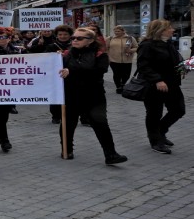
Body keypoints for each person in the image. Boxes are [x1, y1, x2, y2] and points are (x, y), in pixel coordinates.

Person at [60, 27, 127, 165]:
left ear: (90, 41)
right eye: (73, 38)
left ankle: (111, 154)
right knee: (68, 123)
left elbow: (98, 71)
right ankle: (67, 149)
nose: (74, 40)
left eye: (79, 38)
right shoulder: (66, 54)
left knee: (100, 122)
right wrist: (54, 60)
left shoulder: (99, 54)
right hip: (71, 95)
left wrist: (71, 71)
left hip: (94, 95)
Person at [137, 19, 185, 155]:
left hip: (172, 84)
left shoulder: (168, 44)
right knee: (154, 113)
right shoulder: (147, 45)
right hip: (154, 86)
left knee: (178, 110)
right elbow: (143, 66)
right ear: (161, 30)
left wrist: (183, 68)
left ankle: (160, 130)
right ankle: (155, 141)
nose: (173, 30)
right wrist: (157, 80)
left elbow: (175, 61)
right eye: (169, 27)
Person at [45, 25, 74, 124]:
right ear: (57, 35)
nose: (63, 36)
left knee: (71, 96)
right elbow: (45, 60)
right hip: (55, 75)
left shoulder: (74, 45)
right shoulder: (51, 46)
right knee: (55, 96)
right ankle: (56, 116)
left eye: (65, 34)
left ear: (70, 35)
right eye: (60, 34)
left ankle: (71, 115)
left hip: (71, 74)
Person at [107, 25, 138, 94]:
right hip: (114, 59)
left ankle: (123, 84)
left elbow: (136, 47)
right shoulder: (110, 38)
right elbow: (106, 48)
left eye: (118, 31)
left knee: (126, 74)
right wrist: (107, 56)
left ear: (123, 31)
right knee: (116, 74)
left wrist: (130, 50)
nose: (116, 33)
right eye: (115, 31)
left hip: (127, 59)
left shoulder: (130, 38)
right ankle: (118, 86)